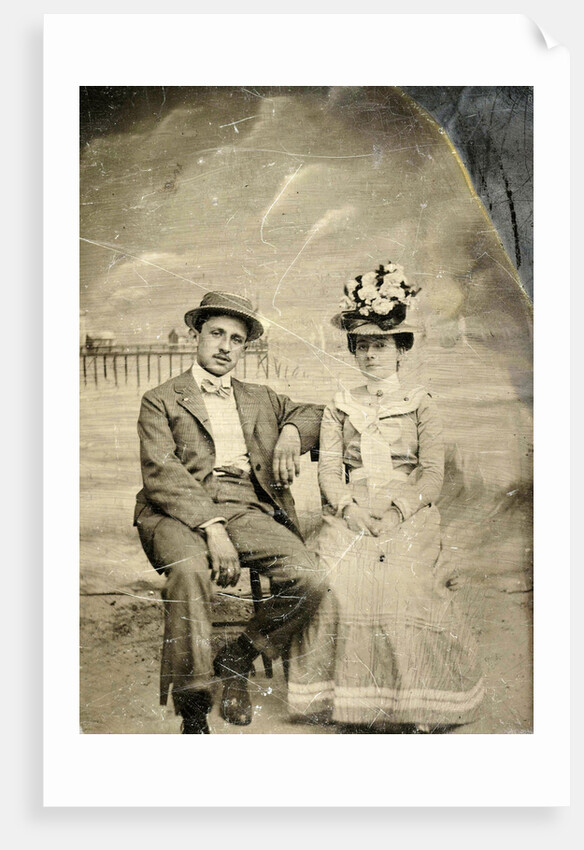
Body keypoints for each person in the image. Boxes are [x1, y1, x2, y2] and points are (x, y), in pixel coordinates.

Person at [287, 263, 484, 732]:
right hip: (352, 505)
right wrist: (348, 508)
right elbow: (330, 471)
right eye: (364, 346)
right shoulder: (340, 404)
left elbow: (432, 474)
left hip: (407, 506)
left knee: (404, 583)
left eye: (381, 345)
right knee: (339, 580)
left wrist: (400, 510)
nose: (372, 355)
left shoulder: (420, 402)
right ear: (355, 352)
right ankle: (351, 704)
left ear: (400, 351)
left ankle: (412, 705)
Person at [134, 291, 325, 733]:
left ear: (244, 348)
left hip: (246, 505)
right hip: (174, 508)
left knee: (310, 577)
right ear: (195, 335)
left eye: (236, 339)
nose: (225, 346)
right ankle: (194, 704)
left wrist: (292, 433)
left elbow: (315, 413)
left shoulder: (260, 397)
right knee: (189, 572)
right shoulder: (160, 399)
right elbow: (161, 472)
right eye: (216, 333)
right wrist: (213, 528)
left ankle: (237, 657)